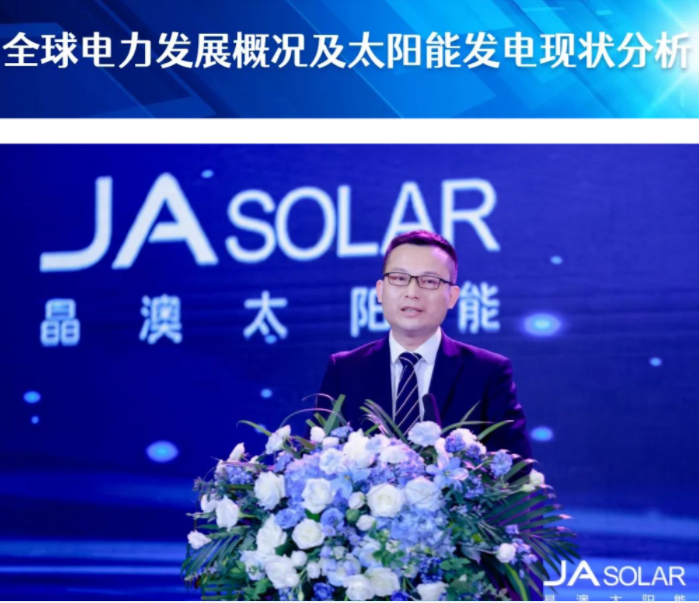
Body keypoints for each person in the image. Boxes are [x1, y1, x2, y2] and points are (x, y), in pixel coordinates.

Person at [318, 230, 532, 463]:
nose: (412, 293)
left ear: (452, 296)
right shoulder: (345, 370)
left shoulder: (487, 372)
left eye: (429, 281)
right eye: (399, 278)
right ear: (380, 290)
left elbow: (514, 469)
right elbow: (319, 459)